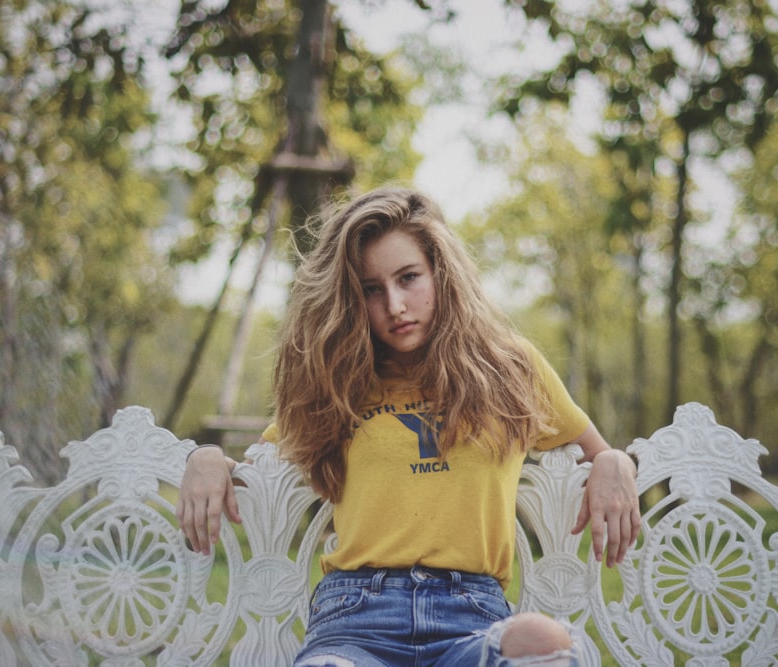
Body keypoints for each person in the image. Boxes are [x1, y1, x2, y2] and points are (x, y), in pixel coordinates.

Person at [178, 186, 640, 667]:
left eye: (409, 278)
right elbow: (257, 465)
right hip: (355, 618)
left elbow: (596, 450)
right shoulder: (339, 384)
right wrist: (206, 458)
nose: (395, 304)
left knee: (544, 641)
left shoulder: (509, 369)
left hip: (471, 618)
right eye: (372, 289)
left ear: (441, 273)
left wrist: (613, 460)